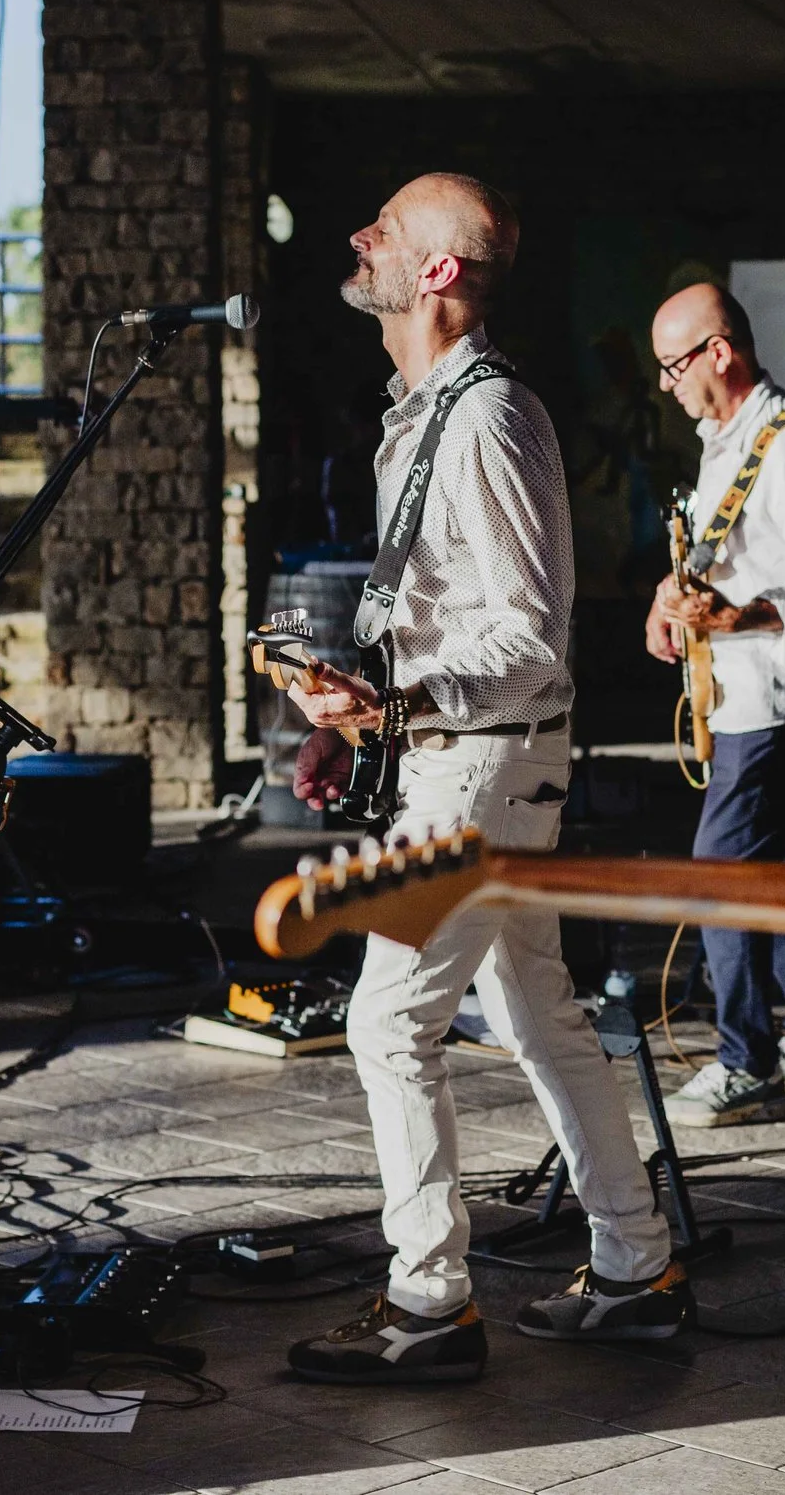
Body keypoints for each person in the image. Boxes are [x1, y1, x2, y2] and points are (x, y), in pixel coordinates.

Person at [281, 173, 687, 1382]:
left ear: (441, 275)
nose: (360, 236)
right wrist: (356, 722)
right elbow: (446, 623)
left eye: (388, 230)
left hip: (482, 769)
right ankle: (635, 1265)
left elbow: (529, 635)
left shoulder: (491, 416)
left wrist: (398, 706)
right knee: (533, 1011)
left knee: (385, 1017)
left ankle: (427, 1304)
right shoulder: (420, 412)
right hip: (454, 758)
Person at [642, 283, 785, 1126]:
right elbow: (725, 553)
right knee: (770, 867)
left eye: (672, 365)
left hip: (783, 692)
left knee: (720, 870)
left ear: (718, 353)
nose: (665, 384)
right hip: (738, 692)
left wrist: (739, 615)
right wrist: (674, 600)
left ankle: (747, 1059)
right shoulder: (725, 442)